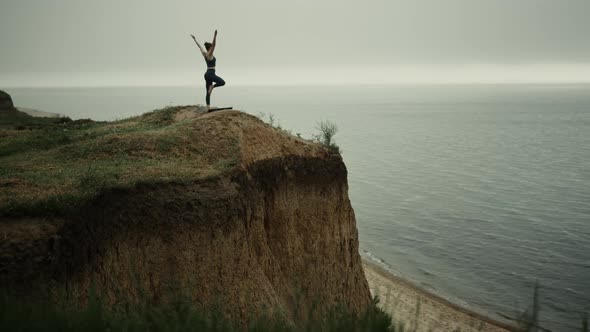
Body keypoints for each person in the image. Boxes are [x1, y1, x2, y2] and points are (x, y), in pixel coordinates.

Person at [191, 30, 225, 112]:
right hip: (211, 73)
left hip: (206, 74)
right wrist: (215, 35)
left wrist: (194, 39)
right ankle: (212, 87)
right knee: (222, 82)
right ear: (210, 48)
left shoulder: (205, 54)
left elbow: (200, 47)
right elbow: (214, 44)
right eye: (211, 48)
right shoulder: (209, 54)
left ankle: (208, 107)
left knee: (208, 92)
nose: (213, 49)